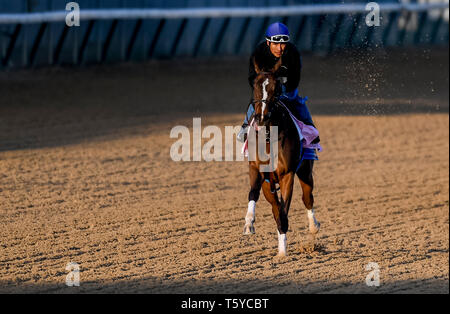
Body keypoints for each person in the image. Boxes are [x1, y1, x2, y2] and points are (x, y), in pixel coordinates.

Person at [237, 22, 318, 143]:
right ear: (268, 42)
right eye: (275, 44)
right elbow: (252, 78)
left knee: (297, 101)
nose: (279, 48)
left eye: (283, 44)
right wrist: (262, 90)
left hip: (286, 88)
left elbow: (295, 79)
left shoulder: (293, 53)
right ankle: (245, 127)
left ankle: (310, 128)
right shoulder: (258, 53)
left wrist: (282, 89)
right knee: (257, 100)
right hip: (266, 88)